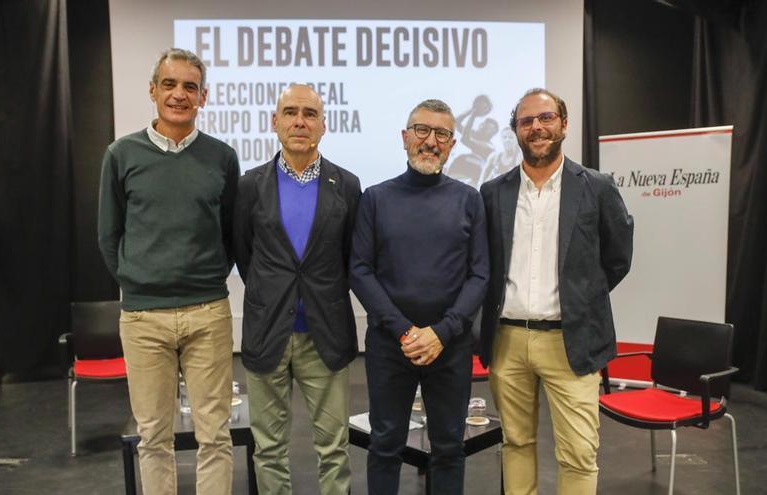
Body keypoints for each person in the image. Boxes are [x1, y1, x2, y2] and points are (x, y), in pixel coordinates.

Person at [97, 48, 239, 495]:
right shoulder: (121, 155)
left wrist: (207, 276)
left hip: (208, 312)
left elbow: (232, 234)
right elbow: (108, 235)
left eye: (190, 87)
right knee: (153, 437)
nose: (180, 94)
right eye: (171, 84)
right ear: (153, 90)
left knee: (215, 435)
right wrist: (138, 283)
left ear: (203, 97)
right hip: (143, 318)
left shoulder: (222, 157)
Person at [479, 88, 633, 495]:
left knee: (579, 454)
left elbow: (618, 259)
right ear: (516, 131)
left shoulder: (597, 187)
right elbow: (486, 266)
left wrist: (580, 299)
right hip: (507, 341)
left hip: (572, 340)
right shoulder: (493, 192)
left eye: (545, 118)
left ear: (563, 124)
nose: (537, 128)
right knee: (515, 443)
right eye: (527, 121)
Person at [350, 99, 489, 495]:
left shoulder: (469, 199)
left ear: (452, 144)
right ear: (405, 137)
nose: (430, 141)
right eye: (422, 130)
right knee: (385, 445)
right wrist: (405, 331)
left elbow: (480, 274)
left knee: (448, 448)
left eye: (441, 134)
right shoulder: (375, 199)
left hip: (450, 346)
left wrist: (442, 332)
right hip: (390, 346)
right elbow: (359, 270)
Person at [232, 83, 361, 495]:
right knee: (268, 450)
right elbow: (245, 253)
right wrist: (276, 295)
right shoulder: (249, 185)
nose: (299, 121)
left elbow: (349, 257)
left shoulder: (348, 185)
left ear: (324, 124)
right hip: (268, 331)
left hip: (326, 332)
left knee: (334, 449)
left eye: (309, 113)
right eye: (290, 112)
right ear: (275, 122)